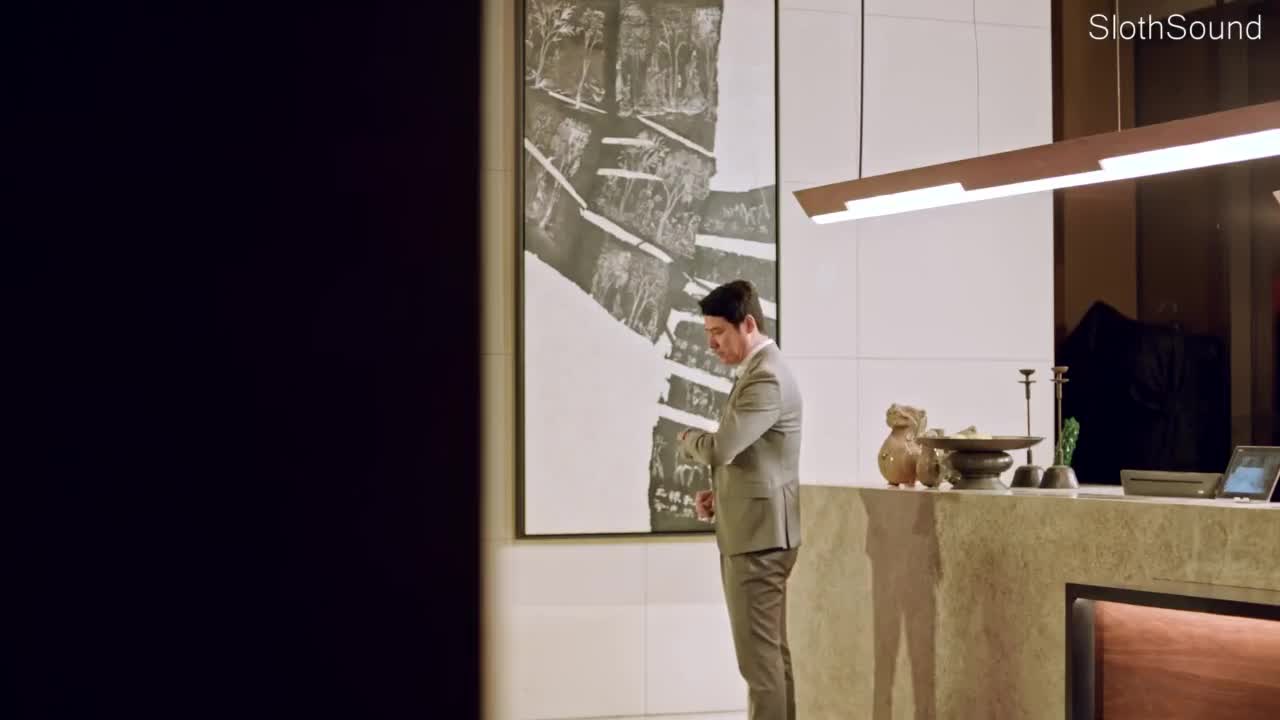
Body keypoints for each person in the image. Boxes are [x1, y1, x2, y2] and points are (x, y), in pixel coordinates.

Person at [677, 279, 802, 720]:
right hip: (761, 533)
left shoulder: (765, 376)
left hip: (758, 542)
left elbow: (720, 448)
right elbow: (760, 457)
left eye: (718, 332)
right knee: (771, 662)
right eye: (708, 333)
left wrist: (687, 439)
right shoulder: (762, 370)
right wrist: (723, 495)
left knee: (760, 669)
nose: (711, 344)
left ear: (748, 324)